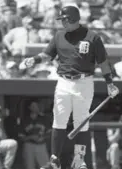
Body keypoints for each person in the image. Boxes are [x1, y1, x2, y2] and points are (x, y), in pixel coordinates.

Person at [19, 6, 120, 169]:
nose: (62, 23)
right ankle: (54, 160)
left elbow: (103, 62)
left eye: (65, 19)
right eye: (62, 20)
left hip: (84, 82)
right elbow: (47, 55)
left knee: (81, 122)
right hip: (64, 82)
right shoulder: (59, 36)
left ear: (73, 19)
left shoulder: (92, 37)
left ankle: (80, 160)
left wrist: (109, 83)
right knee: (59, 120)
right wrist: (35, 60)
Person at [19, 101, 50, 169]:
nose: (36, 108)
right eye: (33, 106)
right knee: (29, 166)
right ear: (29, 108)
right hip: (29, 146)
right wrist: (31, 137)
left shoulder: (44, 118)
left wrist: (43, 137)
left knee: (45, 166)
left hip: (41, 145)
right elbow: (21, 137)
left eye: (36, 106)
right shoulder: (25, 120)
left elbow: (49, 133)